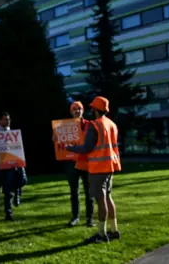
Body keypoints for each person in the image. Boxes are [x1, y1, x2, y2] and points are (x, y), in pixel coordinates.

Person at [66, 96, 121, 243]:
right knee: (108, 197)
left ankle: (102, 234)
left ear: (96, 109)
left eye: (92, 108)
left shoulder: (94, 125)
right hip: (110, 166)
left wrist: (71, 148)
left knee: (101, 199)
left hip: (98, 167)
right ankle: (114, 230)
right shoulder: (111, 124)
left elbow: (86, 147)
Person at [0, 112, 18, 222]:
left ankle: (8, 214)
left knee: (8, 192)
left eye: (8, 119)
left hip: (9, 167)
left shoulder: (12, 133)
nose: (8, 121)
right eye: (5, 119)